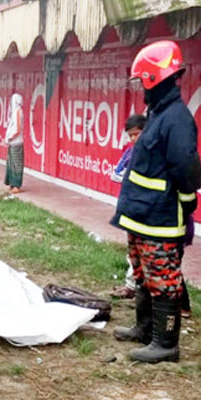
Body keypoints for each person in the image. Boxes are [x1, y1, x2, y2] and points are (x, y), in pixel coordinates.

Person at [111, 40, 201, 364]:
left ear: (151, 79)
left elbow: (186, 168)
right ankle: (145, 328)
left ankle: (165, 343)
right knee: (143, 274)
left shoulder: (175, 118)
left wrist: (187, 202)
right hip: (141, 216)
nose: (139, 87)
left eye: (141, 80)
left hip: (160, 219)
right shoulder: (159, 113)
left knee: (164, 280)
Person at [110, 115, 147, 300]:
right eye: (130, 135)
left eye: (136, 134)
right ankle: (132, 286)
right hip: (132, 209)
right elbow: (116, 173)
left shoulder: (151, 153)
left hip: (146, 213)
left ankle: (180, 306)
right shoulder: (131, 153)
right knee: (133, 253)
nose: (133, 139)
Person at [4, 93, 24, 194]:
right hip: (12, 142)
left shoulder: (18, 112)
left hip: (16, 142)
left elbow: (18, 128)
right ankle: (11, 183)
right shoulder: (15, 112)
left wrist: (10, 137)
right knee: (10, 163)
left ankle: (17, 185)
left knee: (16, 164)